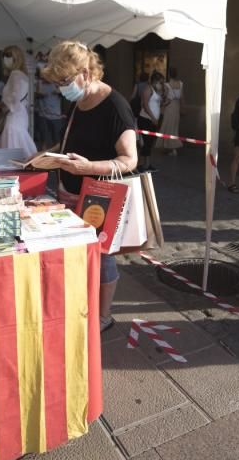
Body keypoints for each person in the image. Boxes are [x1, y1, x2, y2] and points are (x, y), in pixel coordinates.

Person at [32, 41, 138, 333]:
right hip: (70, 192)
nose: (61, 88)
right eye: (58, 83)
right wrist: (47, 155)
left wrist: (87, 168)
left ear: (87, 73)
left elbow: (129, 160)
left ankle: (104, 316)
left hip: (100, 197)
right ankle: (83, 304)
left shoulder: (115, 106)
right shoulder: (78, 102)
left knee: (102, 257)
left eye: (65, 81)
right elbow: (72, 142)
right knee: (79, 254)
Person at [0, 45, 37, 158]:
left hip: (15, 115)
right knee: (17, 141)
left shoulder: (16, 74)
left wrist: (0, 105)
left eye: (8, 55)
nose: (5, 58)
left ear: (16, 57)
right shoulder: (23, 75)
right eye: (5, 55)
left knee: (13, 142)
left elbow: (15, 97)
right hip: (21, 114)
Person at [137, 71, 166, 172]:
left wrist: (164, 103)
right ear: (155, 81)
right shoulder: (148, 89)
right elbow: (145, 105)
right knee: (146, 143)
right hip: (145, 119)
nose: (161, 84)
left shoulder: (156, 91)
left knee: (149, 143)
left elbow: (156, 105)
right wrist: (153, 118)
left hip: (153, 120)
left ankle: (147, 164)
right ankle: (139, 164)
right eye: (160, 82)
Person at [34, 66, 64, 150]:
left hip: (55, 115)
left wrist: (59, 92)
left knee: (57, 139)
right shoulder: (39, 83)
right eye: (43, 75)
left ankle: (57, 153)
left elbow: (64, 96)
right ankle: (43, 152)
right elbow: (34, 96)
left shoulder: (57, 84)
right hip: (42, 114)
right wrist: (39, 95)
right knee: (44, 138)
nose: (44, 77)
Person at [156, 67, 183, 155]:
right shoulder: (181, 84)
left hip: (170, 107)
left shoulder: (167, 85)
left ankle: (172, 148)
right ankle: (172, 148)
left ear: (169, 75)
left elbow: (166, 98)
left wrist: (162, 104)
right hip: (177, 107)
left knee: (167, 127)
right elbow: (182, 97)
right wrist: (182, 107)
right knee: (174, 127)